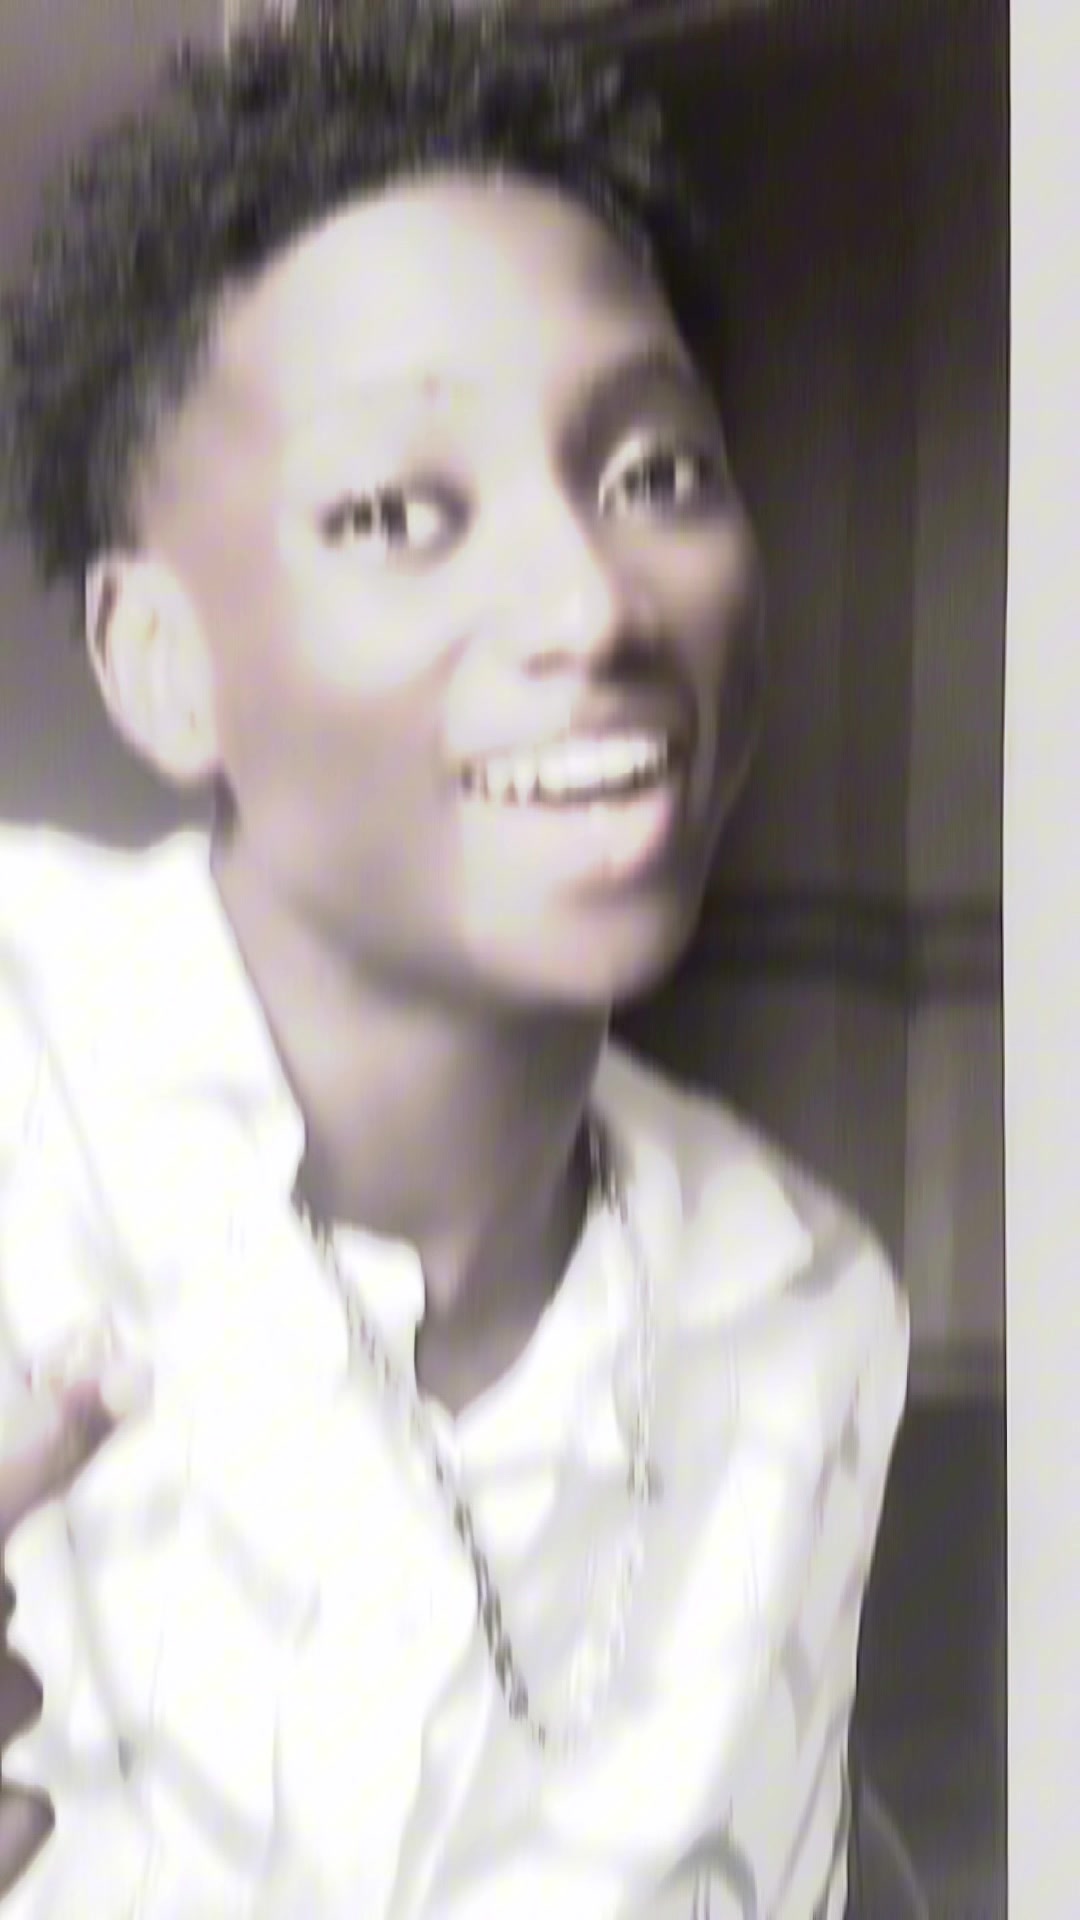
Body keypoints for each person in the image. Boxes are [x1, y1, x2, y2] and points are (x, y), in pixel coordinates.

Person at [0, 3, 909, 1914]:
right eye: (398, 513)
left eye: (657, 473)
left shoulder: (802, 1313)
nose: (592, 605)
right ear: (161, 662)